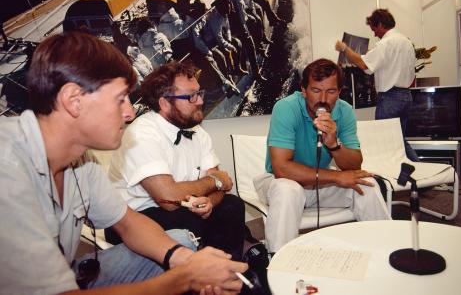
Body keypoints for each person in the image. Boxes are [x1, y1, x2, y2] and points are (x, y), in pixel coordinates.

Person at [0, 31, 247, 294]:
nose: (129, 113)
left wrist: (188, 260)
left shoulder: (83, 159)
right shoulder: (7, 166)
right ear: (73, 100)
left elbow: (127, 222)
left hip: (70, 272)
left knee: (180, 240)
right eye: (120, 99)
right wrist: (184, 277)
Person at [106, 60, 246, 262]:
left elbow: (219, 189)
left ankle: (226, 274)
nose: (199, 101)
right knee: (188, 221)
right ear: (164, 103)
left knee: (232, 206)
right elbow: (168, 199)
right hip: (132, 218)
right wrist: (215, 181)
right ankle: (199, 278)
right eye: (191, 96)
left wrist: (209, 201)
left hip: (181, 206)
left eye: (199, 93)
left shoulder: (197, 131)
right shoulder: (142, 133)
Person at [253, 58, 391, 253]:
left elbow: (354, 165)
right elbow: (281, 169)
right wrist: (336, 176)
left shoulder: (345, 111)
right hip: (279, 182)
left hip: (321, 182)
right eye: (316, 90)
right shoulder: (286, 108)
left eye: (331, 91)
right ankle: (277, 261)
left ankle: (385, 248)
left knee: (366, 183)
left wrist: (333, 144)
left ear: (339, 92)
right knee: (287, 190)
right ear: (303, 90)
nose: (323, 99)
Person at [334, 8, 419, 161]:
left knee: (386, 142)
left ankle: (420, 171)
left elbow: (364, 64)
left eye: (374, 29)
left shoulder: (386, 43)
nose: (374, 34)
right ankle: (419, 174)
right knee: (399, 141)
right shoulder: (407, 43)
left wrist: (344, 48)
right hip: (406, 96)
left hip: (390, 98)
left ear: (380, 24)